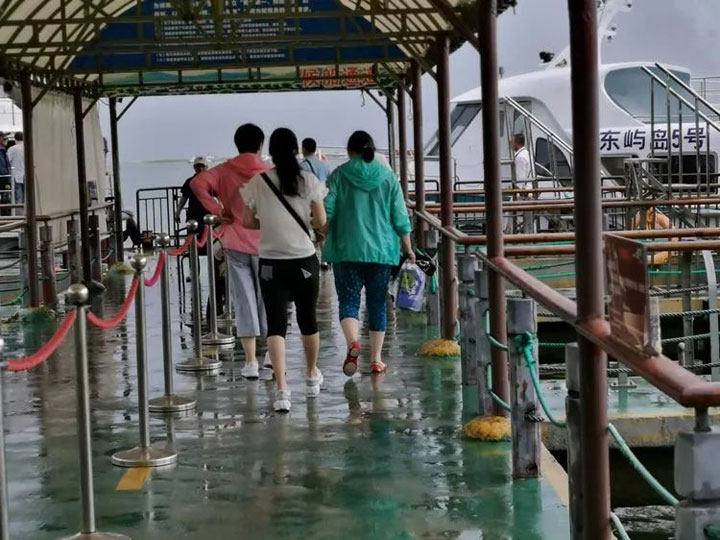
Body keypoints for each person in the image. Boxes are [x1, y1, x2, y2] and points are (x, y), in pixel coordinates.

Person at [242, 128, 327, 413]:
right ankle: (312, 375)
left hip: (270, 262)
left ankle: (281, 389)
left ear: (271, 151)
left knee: (276, 324)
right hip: (303, 260)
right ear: (295, 150)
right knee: (308, 319)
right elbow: (320, 220)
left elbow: (247, 222)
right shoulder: (308, 180)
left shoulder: (259, 181)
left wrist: (269, 223)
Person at [323, 130, 414, 377]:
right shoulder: (387, 177)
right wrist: (408, 247)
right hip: (381, 251)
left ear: (349, 152)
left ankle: (353, 342)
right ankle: (376, 359)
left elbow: (327, 211)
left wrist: (322, 233)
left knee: (349, 301)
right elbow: (400, 216)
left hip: (346, 249)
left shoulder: (338, 175)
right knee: (377, 304)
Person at [191, 124, 270, 380]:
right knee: (269, 299)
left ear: (237, 144)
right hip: (267, 243)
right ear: (260, 144)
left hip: (235, 241)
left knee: (243, 300)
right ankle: (271, 354)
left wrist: (217, 210)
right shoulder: (268, 170)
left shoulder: (224, 169)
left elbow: (197, 183)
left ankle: (250, 361)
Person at [175, 156, 209, 225]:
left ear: (206, 167)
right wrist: (178, 212)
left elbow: (219, 197)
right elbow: (184, 198)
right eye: (198, 166)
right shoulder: (189, 181)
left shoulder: (211, 181)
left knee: (209, 231)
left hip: (207, 214)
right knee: (192, 230)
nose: (200, 168)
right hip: (193, 213)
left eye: (202, 166)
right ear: (194, 167)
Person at [7, 131, 24, 205]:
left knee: (18, 196)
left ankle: (19, 210)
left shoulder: (11, 149)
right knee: (28, 196)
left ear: (15, 138)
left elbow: (8, 161)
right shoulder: (29, 147)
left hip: (16, 175)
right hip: (27, 175)